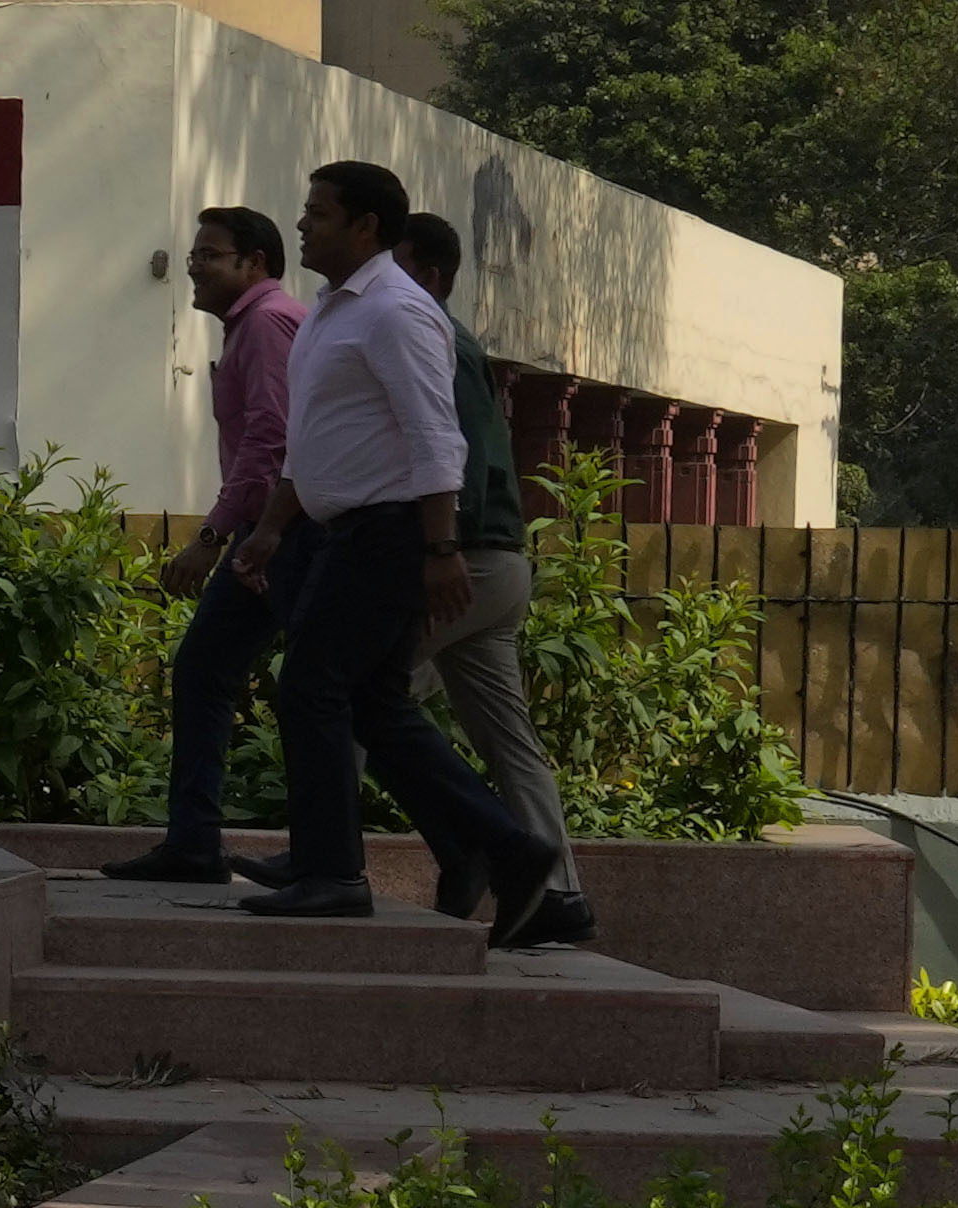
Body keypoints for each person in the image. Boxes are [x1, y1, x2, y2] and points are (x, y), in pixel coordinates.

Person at [241, 163, 556, 931]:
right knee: (372, 704)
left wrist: (440, 548)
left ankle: (331, 871)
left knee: (312, 688)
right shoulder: (329, 308)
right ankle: (503, 849)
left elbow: (433, 436)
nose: (302, 223)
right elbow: (316, 440)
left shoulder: (395, 311)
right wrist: (274, 523)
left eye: (317, 213)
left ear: (365, 227)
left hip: (384, 533)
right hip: (335, 530)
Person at [92, 206, 314, 887]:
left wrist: (215, 537)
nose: (193, 264)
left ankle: (223, 845)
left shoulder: (269, 323)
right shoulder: (255, 325)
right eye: (195, 252)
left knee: (311, 692)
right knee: (237, 677)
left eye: (209, 254)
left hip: (285, 531)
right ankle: (203, 841)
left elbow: (272, 441)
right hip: (277, 529)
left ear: (253, 263)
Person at [391, 211, 590, 952]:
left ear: (431, 276)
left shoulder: (431, 337)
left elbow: (458, 452)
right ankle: (558, 893)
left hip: (465, 555)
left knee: (355, 696)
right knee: (508, 740)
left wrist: (439, 547)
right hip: (497, 560)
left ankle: (343, 856)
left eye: (396, 264)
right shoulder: (443, 338)